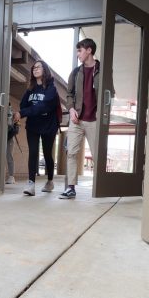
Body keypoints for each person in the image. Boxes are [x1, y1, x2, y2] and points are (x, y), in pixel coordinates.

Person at [59, 38, 113, 199]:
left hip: (94, 120)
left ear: (89, 50)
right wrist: (71, 110)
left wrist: (102, 113)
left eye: (80, 51)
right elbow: (69, 94)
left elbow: (110, 93)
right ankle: (71, 188)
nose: (78, 54)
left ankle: (103, 186)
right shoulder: (76, 73)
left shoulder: (103, 70)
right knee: (71, 153)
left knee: (98, 155)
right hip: (77, 120)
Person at [14, 60, 59, 196]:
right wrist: (23, 111)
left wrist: (23, 113)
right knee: (33, 152)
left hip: (48, 126)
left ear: (45, 70)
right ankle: (31, 184)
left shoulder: (51, 89)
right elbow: (23, 105)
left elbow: (43, 106)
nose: (35, 69)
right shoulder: (30, 89)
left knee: (46, 154)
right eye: (34, 67)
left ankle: (50, 181)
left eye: (38, 67)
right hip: (33, 125)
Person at [5, 104, 19, 184]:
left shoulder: (13, 115)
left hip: (9, 139)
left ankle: (11, 176)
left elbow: (16, 130)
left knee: (9, 156)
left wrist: (12, 124)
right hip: (1, 138)